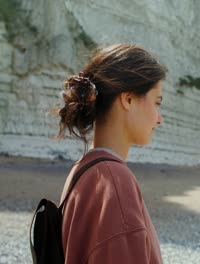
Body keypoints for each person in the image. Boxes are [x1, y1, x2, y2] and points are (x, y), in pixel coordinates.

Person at [55, 43, 166, 263]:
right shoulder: (114, 182)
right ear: (128, 99)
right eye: (156, 102)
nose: (159, 118)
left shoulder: (84, 170)